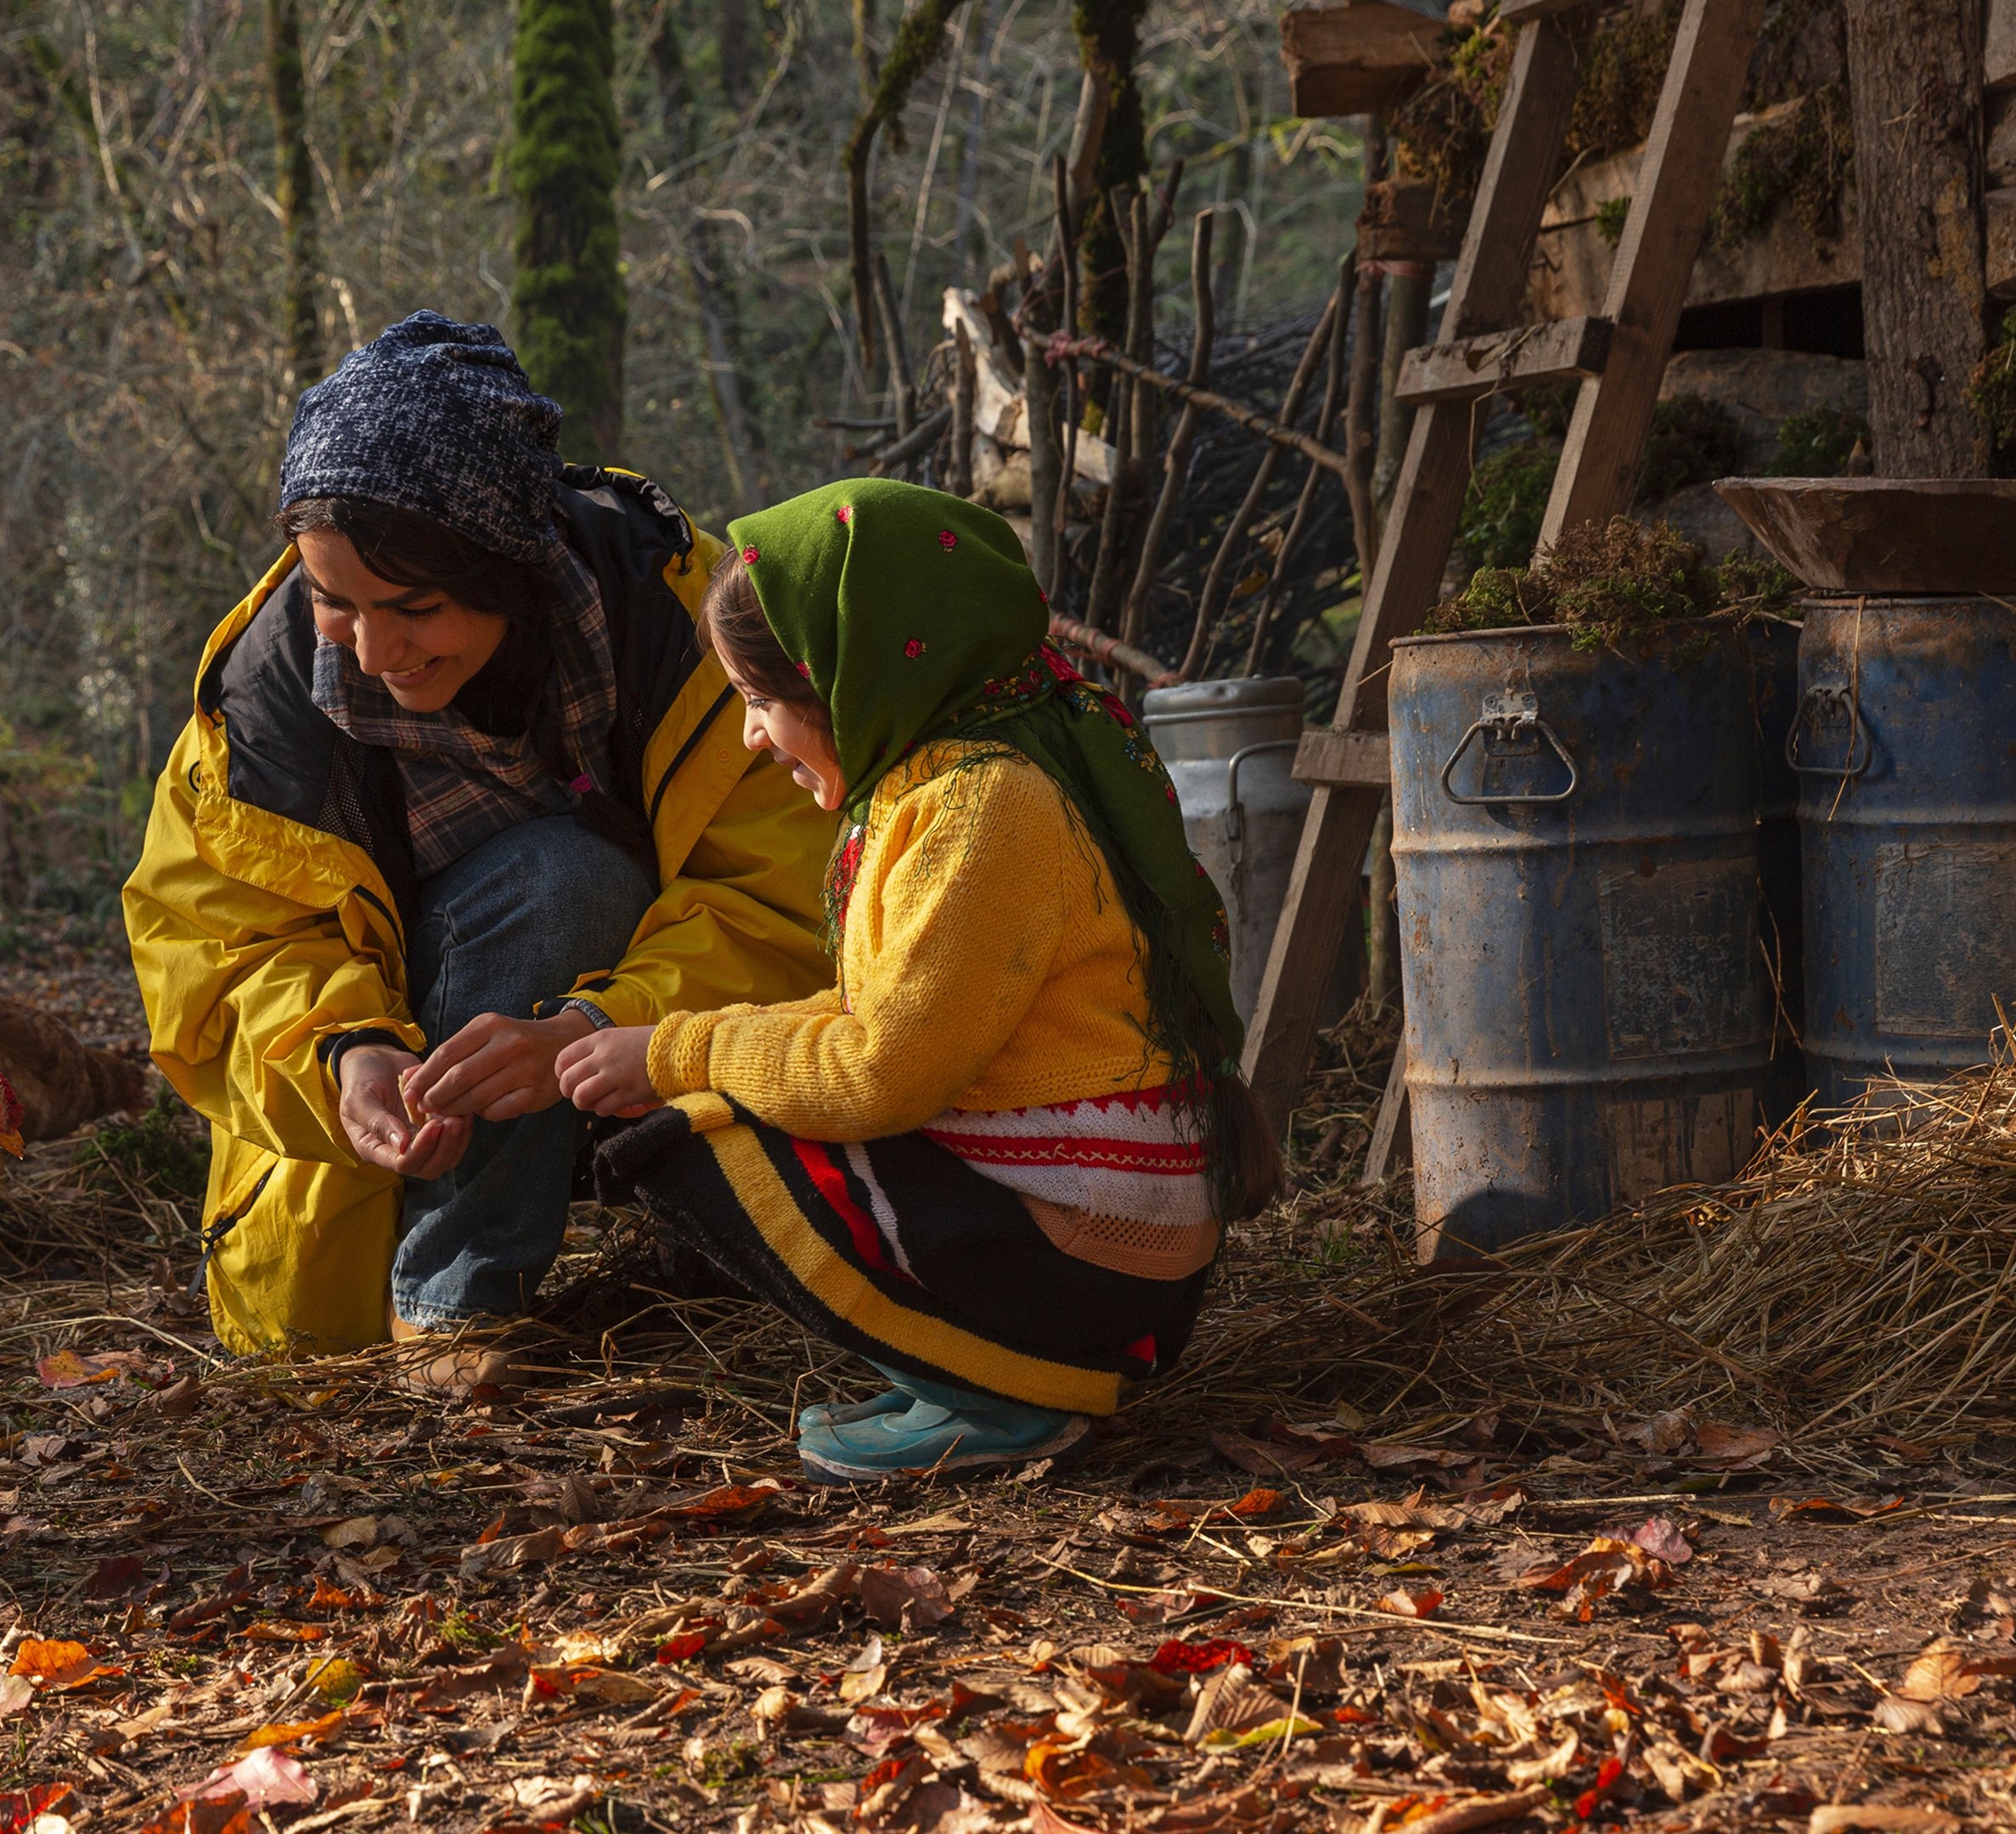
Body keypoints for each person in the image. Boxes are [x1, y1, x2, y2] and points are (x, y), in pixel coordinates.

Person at [125, 312, 837, 1365]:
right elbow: (217, 952)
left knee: (561, 879)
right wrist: (345, 1054)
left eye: (413, 607)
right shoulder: (260, 715)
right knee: (559, 880)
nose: (372, 651)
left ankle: (598, 1260)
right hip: (376, 1119)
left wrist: (592, 1031)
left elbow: (782, 905)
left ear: (512, 570)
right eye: (333, 603)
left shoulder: (688, 630)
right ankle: (448, 1306)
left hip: (648, 1035)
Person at [559, 478, 1275, 1481]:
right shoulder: (942, 783)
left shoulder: (982, 807)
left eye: (762, 701)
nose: (753, 737)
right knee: (723, 1094)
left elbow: (877, 1070)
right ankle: (966, 1368)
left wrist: (681, 1051)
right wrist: (683, 1041)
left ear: (852, 675)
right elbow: (872, 1012)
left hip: (1094, 1257)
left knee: (695, 1138)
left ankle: (1005, 1391)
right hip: (1095, 1233)